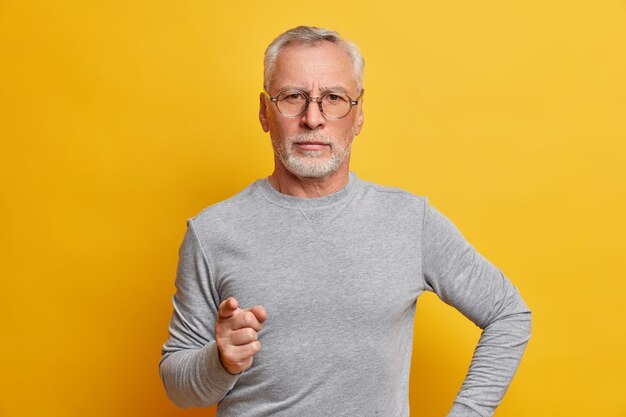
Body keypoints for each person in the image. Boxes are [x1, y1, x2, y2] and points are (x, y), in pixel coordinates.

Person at [159, 26, 531, 417]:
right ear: (264, 112)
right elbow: (178, 386)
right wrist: (219, 361)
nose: (313, 118)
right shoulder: (212, 232)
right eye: (292, 97)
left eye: (333, 98)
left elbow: (508, 313)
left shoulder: (408, 221)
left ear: (358, 116)